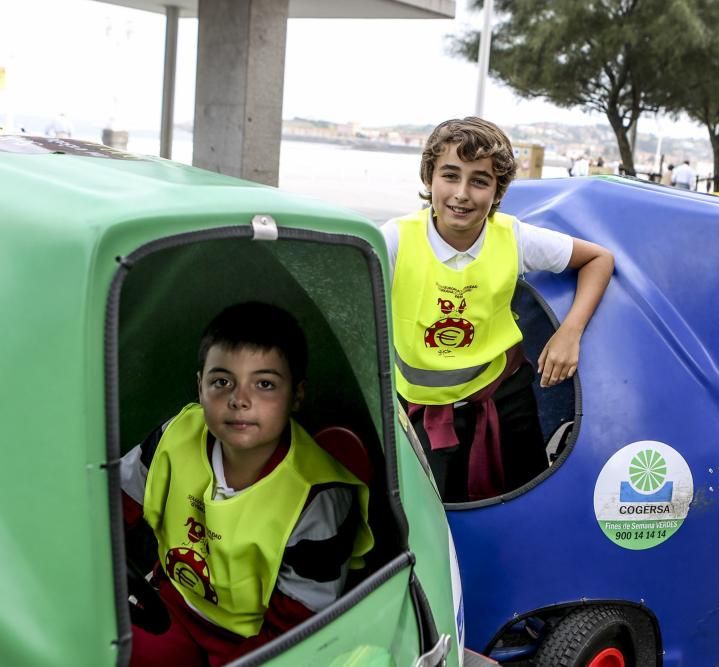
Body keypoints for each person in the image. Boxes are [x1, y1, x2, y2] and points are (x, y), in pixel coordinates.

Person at [121, 302, 373, 666]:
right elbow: (109, 508)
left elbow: (297, 628)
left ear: (296, 395)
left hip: (257, 639)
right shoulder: (173, 437)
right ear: (199, 387)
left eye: (265, 384)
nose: (240, 400)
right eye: (222, 382)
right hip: (173, 606)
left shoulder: (316, 499)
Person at [382, 116, 614, 502]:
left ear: (498, 190)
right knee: (433, 519)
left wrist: (569, 333)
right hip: (421, 411)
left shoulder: (513, 237)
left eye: (479, 180)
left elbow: (599, 259)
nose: (462, 193)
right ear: (429, 178)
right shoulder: (395, 239)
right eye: (450, 175)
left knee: (523, 504)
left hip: (504, 402)